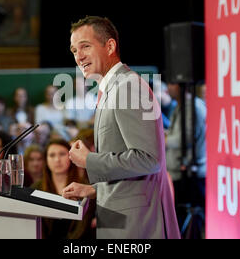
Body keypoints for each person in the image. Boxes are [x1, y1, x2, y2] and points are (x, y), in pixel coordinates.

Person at [62, 16, 180, 239]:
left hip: (138, 227)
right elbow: (131, 168)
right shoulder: (112, 89)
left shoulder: (127, 87)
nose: (79, 56)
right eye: (74, 50)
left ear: (110, 46)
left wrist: (89, 161)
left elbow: (148, 159)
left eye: (85, 46)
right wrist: (95, 190)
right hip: (124, 219)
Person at [32, 139, 95, 239]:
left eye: (62, 154)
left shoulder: (83, 187)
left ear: (70, 157)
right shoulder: (36, 188)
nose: (57, 159)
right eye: (52, 155)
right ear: (46, 160)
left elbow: (84, 226)